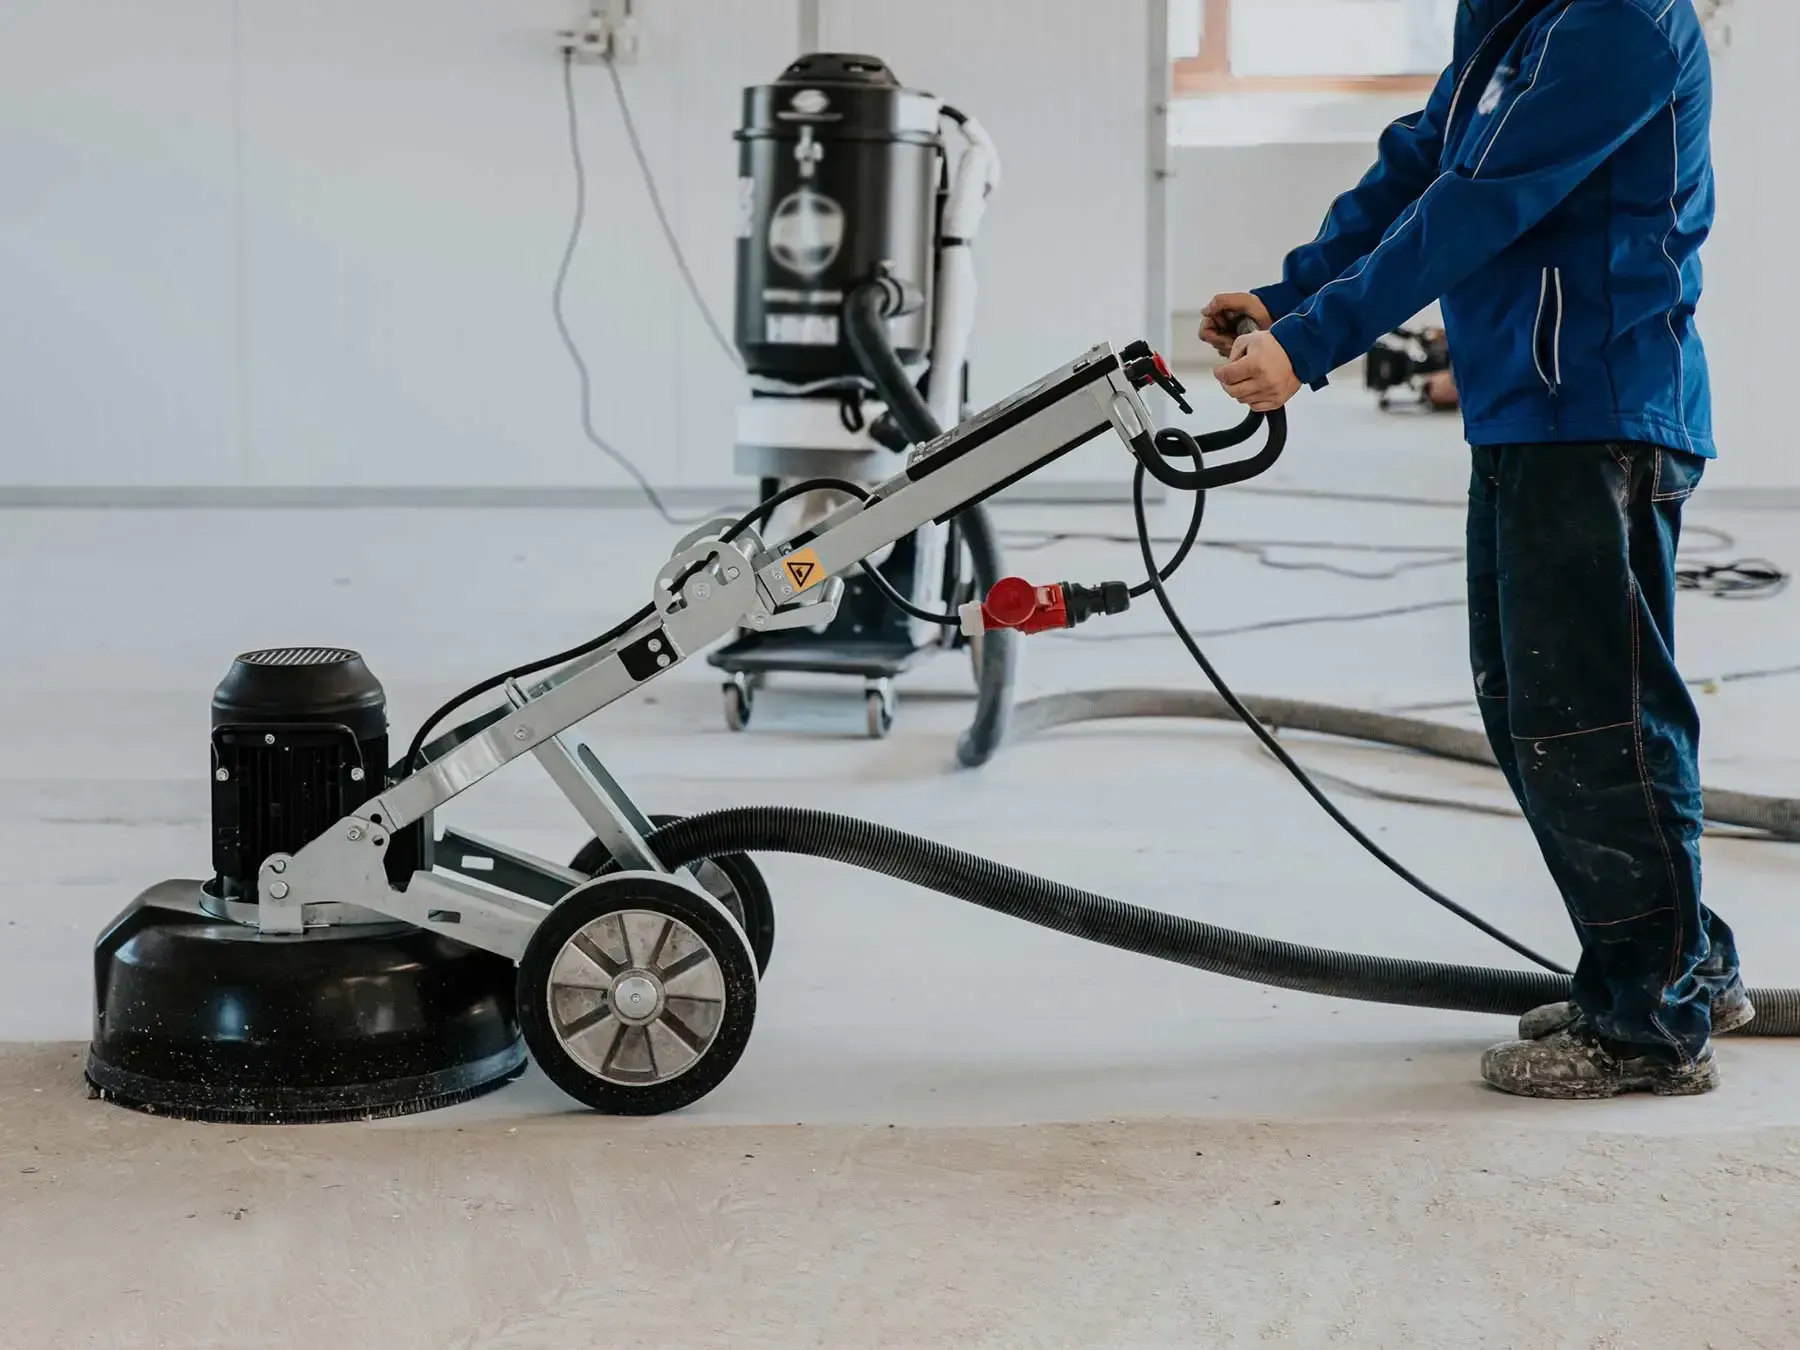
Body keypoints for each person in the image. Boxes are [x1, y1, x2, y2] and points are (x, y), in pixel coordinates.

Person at [1201, 0, 1740, 1099]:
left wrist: (1312, 342)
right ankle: (1674, 967)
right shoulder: (1515, 11)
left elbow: (1481, 201)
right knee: (1533, 710)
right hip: (1527, 411)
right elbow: (1426, 157)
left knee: (1594, 720)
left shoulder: (1621, 21)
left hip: (1596, 412)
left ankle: (1652, 1023)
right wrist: (1293, 292)